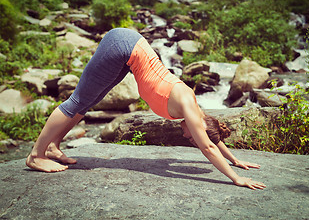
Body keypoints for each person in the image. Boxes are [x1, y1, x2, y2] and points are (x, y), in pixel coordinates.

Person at [26, 28, 266, 190]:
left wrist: (236, 160)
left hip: (127, 54)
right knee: (78, 100)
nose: (186, 136)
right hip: (122, 45)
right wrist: (236, 179)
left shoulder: (199, 114)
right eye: (191, 137)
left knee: (88, 102)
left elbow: (212, 135)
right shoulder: (187, 105)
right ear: (198, 128)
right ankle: (36, 155)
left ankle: (53, 147)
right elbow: (208, 145)